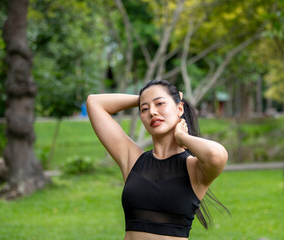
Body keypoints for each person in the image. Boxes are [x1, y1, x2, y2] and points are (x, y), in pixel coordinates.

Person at [87, 80, 228, 240]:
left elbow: (217, 155)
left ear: (179, 108)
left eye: (160, 103)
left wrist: (182, 137)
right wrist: (143, 98)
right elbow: (94, 102)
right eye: (144, 109)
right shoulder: (133, 160)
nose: (152, 112)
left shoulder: (193, 168)